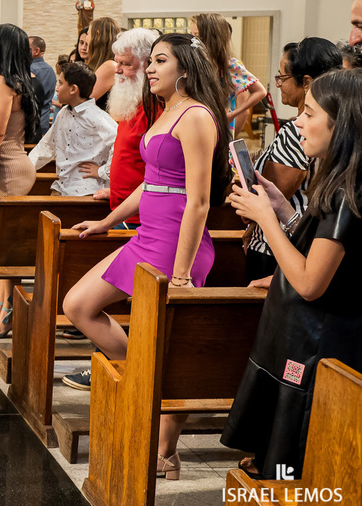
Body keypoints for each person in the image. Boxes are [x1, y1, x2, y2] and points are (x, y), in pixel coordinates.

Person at [61, 33, 231, 480]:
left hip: (176, 243)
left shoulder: (196, 116)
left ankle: (164, 451)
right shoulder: (166, 109)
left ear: (185, 68)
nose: (151, 69)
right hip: (147, 236)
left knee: (170, 346)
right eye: (151, 61)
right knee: (78, 305)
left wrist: (181, 274)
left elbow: (198, 201)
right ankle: (142, 374)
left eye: (160, 61)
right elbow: (150, 182)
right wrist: (107, 221)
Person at [222, 68, 362, 481]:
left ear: (342, 125)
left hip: (319, 344)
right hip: (301, 336)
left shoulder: (348, 192)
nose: (298, 121)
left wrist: (265, 220)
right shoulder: (338, 180)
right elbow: (324, 251)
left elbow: (310, 283)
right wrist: (282, 209)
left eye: (310, 113)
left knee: (292, 463)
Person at [243, 38, 339, 281]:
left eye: (282, 77)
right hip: (295, 240)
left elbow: (272, 196)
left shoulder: (297, 131)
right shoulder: (321, 129)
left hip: (281, 246)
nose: (279, 84)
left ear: (306, 82)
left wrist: (252, 213)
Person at [0, 24, 41, 339]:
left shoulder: (4, 83)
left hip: (6, 167)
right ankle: (2, 303)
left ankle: (8, 310)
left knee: (5, 247)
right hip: (20, 163)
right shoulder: (23, 81)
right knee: (6, 243)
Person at [81, 28, 158, 228]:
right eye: (117, 62)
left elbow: (158, 172)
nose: (117, 70)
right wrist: (115, 190)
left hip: (140, 216)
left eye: (126, 64)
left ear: (148, 65)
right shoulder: (132, 102)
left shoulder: (156, 109)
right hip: (123, 206)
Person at [29, 61, 117, 196]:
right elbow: (47, 145)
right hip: (62, 186)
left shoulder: (96, 116)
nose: (57, 89)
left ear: (73, 89)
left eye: (60, 83)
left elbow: (119, 142)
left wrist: (103, 171)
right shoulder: (63, 113)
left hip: (87, 190)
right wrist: (27, 167)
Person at [190, 13, 266, 132]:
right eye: (191, 36)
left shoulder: (230, 65)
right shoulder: (195, 63)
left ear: (211, 39)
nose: (193, 42)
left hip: (218, 129)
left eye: (198, 37)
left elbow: (260, 91)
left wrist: (233, 114)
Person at [86, 17, 121, 110]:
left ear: (97, 35)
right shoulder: (104, 65)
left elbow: (82, 101)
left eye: (88, 34)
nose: (86, 39)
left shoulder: (110, 66)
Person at [29, 35, 55, 138]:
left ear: (36, 51)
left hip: (31, 122)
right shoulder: (51, 70)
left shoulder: (30, 69)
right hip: (44, 120)